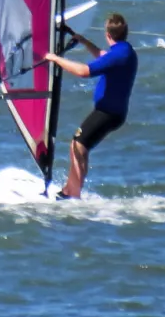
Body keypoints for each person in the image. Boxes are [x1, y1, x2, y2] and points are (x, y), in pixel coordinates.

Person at [45, 13, 138, 200]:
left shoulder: (118, 55)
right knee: (80, 146)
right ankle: (69, 190)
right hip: (114, 112)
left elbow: (83, 71)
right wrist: (83, 41)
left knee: (77, 145)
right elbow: (103, 56)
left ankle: (72, 195)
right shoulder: (125, 51)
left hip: (108, 113)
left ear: (107, 35)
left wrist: (55, 59)